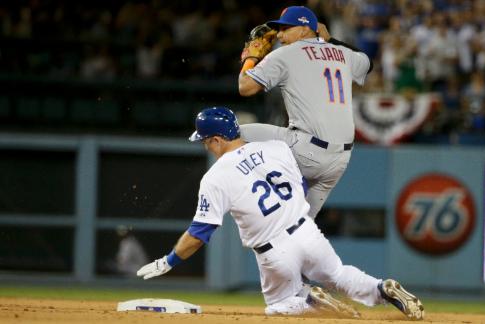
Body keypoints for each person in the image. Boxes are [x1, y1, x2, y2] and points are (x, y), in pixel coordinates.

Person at [136, 107, 424, 320]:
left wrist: (169, 260)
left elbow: (200, 233)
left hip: (273, 250)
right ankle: (381, 288)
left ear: (217, 139)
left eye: (205, 140)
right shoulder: (276, 147)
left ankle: (309, 300)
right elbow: (299, 185)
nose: (205, 146)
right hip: (306, 230)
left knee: (278, 306)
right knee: (339, 274)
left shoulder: (215, 177)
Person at [237, 6, 372, 219]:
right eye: (278, 30)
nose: (279, 35)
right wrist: (331, 41)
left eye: (285, 29)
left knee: (230, 132)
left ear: (303, 29)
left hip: (306, 151)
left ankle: (239, 192)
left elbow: (245, 87)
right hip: (339, 161)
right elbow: (367, 63)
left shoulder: (285, 54)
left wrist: (250, 58)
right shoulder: (343, 54)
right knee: (299, 229)